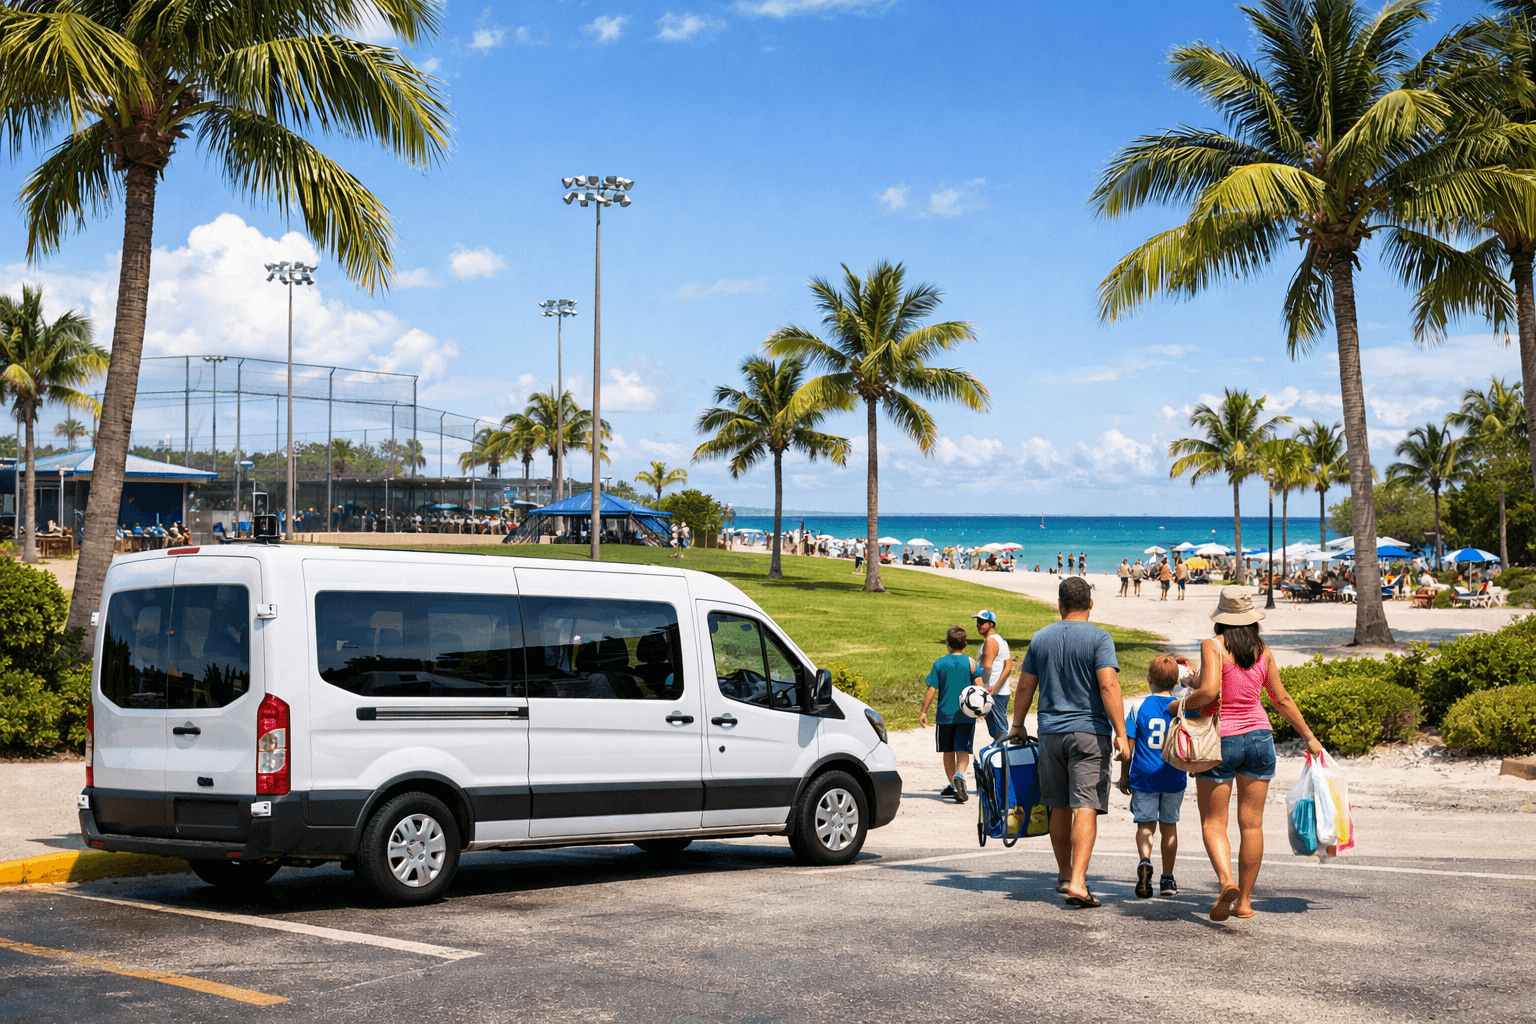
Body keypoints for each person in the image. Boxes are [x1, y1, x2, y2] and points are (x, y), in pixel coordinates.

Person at [1182, 588, 1324, 921]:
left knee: (1214, 822)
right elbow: (1282, 700)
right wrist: (1310, 737)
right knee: (1252, 825)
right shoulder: (1263, 651)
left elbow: (1210, 692)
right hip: (1260, 738)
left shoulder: (1213, 645)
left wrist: (1179, 705)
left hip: (1222, 741)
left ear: (1221, 618)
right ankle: (1244, 902)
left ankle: (1226, 881)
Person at [1006, 577, 1131, 908]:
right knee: (1085, 805)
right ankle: (1078, 881)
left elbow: (1024, 687)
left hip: (1050, 733)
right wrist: (1120, 731)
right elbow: (1108, 686)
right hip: (1090, 733)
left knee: (1058, 805)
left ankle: (1064, 875)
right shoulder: (1099, 638)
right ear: (1090, 605)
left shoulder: (1040, 639)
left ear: (1060, 604)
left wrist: (1017, 725)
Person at [1118, 655, 1187, 898]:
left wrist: (1124, 777)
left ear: (1148, 678)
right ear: (1177, 681)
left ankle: (1145, 859)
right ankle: (1167, 879)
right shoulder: (1182, 707)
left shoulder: (1138, 707)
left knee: (1145, 825)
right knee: (1169, 826)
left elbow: (1128, 747)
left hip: (1144, 775)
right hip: (1174, 774)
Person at [918, 625, 983, 803]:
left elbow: (932, 689)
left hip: (945, 715)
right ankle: (960, 775)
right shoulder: (970, 662)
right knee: (963, 749)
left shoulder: (940, 663)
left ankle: (954, 785)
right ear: (966, 644)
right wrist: (981, 708)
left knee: (948, 751)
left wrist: (924, 711)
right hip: (966, 714)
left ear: (947, 644)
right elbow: (980, 686)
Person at [973, 610, 1013, 743]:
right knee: (1000, 730)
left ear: (991, 624)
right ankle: (1003, 757)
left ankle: (1004, 760)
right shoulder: (1002, 641)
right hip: (1001, 692)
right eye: (977, 622)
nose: (978, 625)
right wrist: (996, 688)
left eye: (982, 622)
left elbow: (987, 667)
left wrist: (987, 690)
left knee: (1000, 733)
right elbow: (1008, 667)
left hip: (993, 693)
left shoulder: (990, 641)